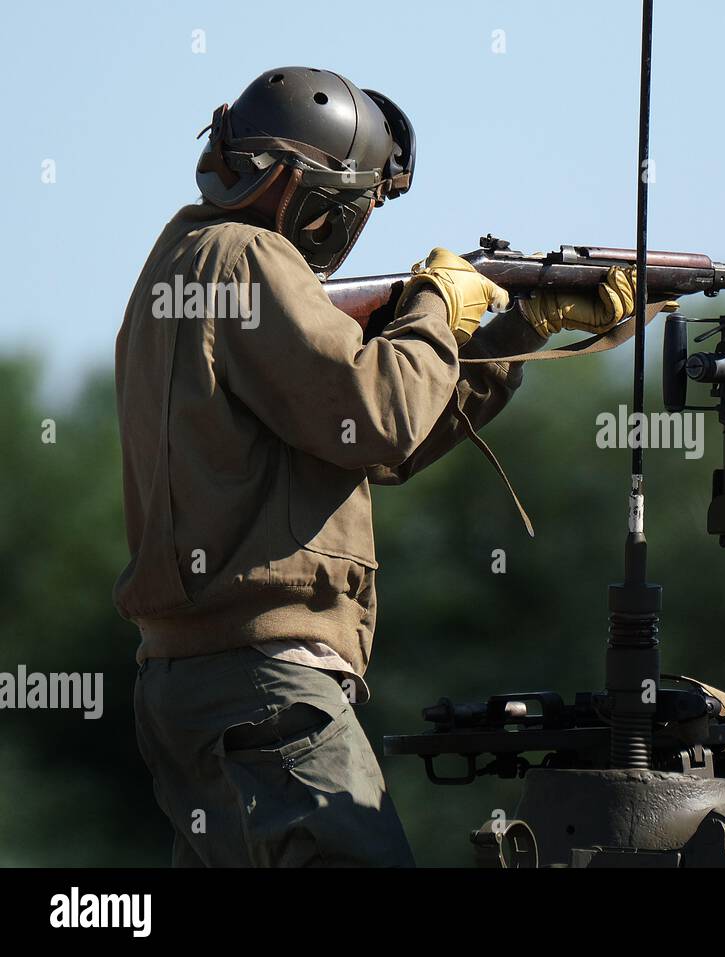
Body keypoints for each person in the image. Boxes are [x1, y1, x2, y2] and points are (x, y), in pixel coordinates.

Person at [115, 66, 636, 866]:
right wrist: (435, 304)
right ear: (309, 193)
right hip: (267, 681)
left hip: (191, 684)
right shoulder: (251, 257)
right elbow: (382, 414)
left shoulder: (182, 260)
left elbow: (368, 436)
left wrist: (517, 329)